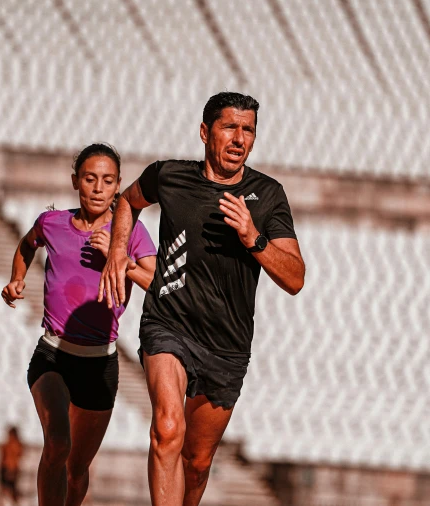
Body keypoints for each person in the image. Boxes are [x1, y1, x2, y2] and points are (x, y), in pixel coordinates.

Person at [99, 92, 306, 505]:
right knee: (167, 428)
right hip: (168, 325)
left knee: (196, 462)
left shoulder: (267, 195)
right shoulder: (170, 177)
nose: (239, 139)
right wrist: (118, 251)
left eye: (248, 130)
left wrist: (254, 238)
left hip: (226, 344)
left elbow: (295, 277)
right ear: (205, 132)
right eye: (230, 127)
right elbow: (128, 201)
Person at [2, 143, 157, 506]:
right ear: (76, 182)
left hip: (100, 363)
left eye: (107, 180)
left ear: (118, 185)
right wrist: (16, 278)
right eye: (90, 179)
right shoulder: (52, 223)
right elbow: (27, 245)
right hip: (53, 355)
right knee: (57, 442)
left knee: (76, 468)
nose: (98, 188)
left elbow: (156, 283)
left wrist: (118, 257)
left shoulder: (130, 232)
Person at [0, 426, 24, 506]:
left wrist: (10, 471)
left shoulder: (14, 445)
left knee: (10, 491)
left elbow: (14, 458)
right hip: (7, 468)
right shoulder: (9, 444)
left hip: (10, 469)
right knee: (4, 490)